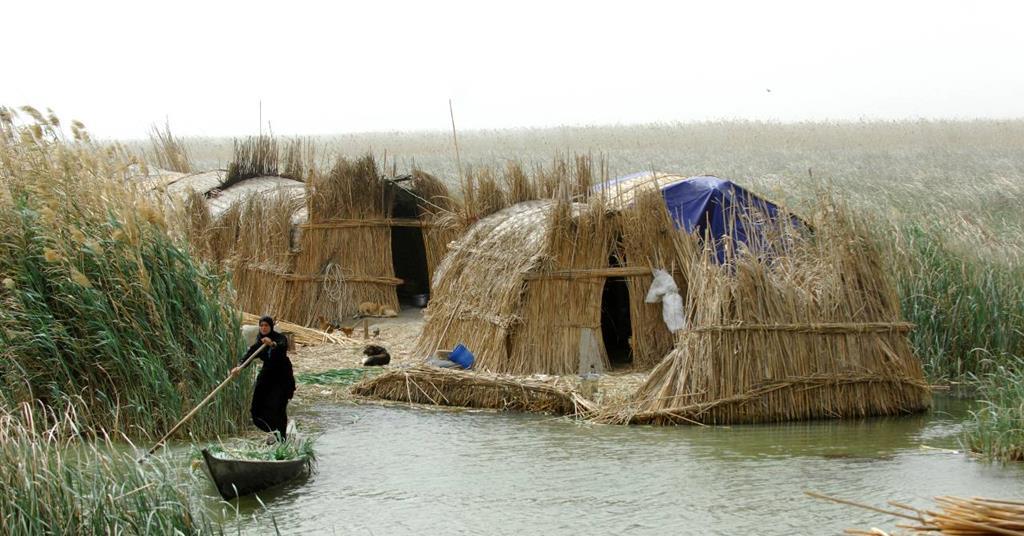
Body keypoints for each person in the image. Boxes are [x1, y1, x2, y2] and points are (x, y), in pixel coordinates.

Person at [231, 316, 295, 442]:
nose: (263, 328)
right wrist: (239, 367)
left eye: (266, 325)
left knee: (278, 407)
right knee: (256, 408)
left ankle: (282, 438)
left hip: (282, 376)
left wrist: (271, 344)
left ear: (271, 327)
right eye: (261, 326)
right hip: (267, 375)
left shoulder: (279, 338)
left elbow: (282, 346)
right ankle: (274, 431)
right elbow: (249, 354)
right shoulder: (260, 341)